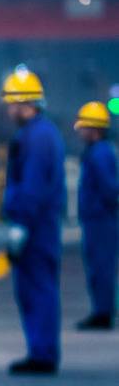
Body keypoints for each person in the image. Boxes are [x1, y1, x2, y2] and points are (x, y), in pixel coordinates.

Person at [0, 67, 65, 374]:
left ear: (25, 103)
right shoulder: (41, 133)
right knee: (40, 289)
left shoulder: (36, 138)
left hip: (36, 228)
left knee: (37, 291)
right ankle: (42, 350)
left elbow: (33, 185)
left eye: (12, 104)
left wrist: (20, 226)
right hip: (42, 227)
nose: (9, 110)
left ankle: (42, 354)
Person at [77, 100, 116, 331]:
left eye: (83, 127)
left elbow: (110, 188)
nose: (80, 131)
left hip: (101, 220)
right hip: (98, 218)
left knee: (101, 267)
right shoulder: (99, 152)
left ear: (94, 129)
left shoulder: (99, 154)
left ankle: (103, 313)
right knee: (99, 267)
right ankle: (102, 310)